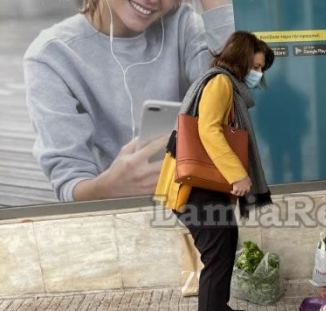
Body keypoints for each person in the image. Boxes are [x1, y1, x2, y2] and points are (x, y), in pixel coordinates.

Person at [23, 0, 235, 202]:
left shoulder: (184, 26)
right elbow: (70, 184)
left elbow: (236, 99)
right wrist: (108, 189)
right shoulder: (50, 56)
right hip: (114, 219)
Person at [155, 31, 274, 311]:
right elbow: (209, 131)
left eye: (261, 69)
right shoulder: (221, 83)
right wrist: (238, 174)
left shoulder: (220, 81)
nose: (258, 74)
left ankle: (218, 306)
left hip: (202, 185)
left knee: (227, 242)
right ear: (241, 57)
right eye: (256, 66)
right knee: (218, 257)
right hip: (195, 188)